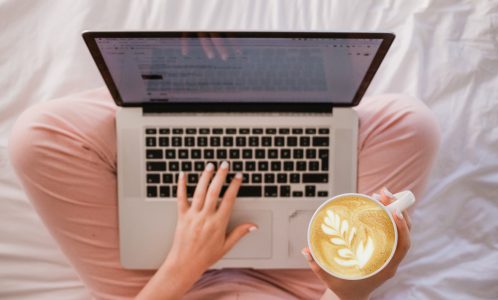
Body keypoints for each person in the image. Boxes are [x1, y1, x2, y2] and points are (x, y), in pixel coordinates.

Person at [8, 87, 440, 299]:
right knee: (410, 124)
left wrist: (184, 262)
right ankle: (262, 92)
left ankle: (181, 91)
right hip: (301, 291)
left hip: (161, 286)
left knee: (38, 137)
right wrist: (350, 288)